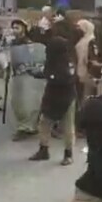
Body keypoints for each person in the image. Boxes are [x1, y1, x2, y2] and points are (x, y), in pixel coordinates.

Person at [30, 22, 77, 166]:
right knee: (45, 122)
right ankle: (43, 149)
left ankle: (68, 154)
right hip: (51, 94)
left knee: (67, 126)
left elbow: (63, 78)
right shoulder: (55, 59)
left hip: (66, 96)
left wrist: (47, 75)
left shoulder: (66, 63)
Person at [8, 19, 47, 140]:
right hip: (18, 76)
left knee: (31, 102)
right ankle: (25, 126)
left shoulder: (31, 43)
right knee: (18, 102)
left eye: (17, 28)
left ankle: (27, 127)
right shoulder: (13, 43)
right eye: (13, 27)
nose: (15, 30)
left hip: (31, 76)